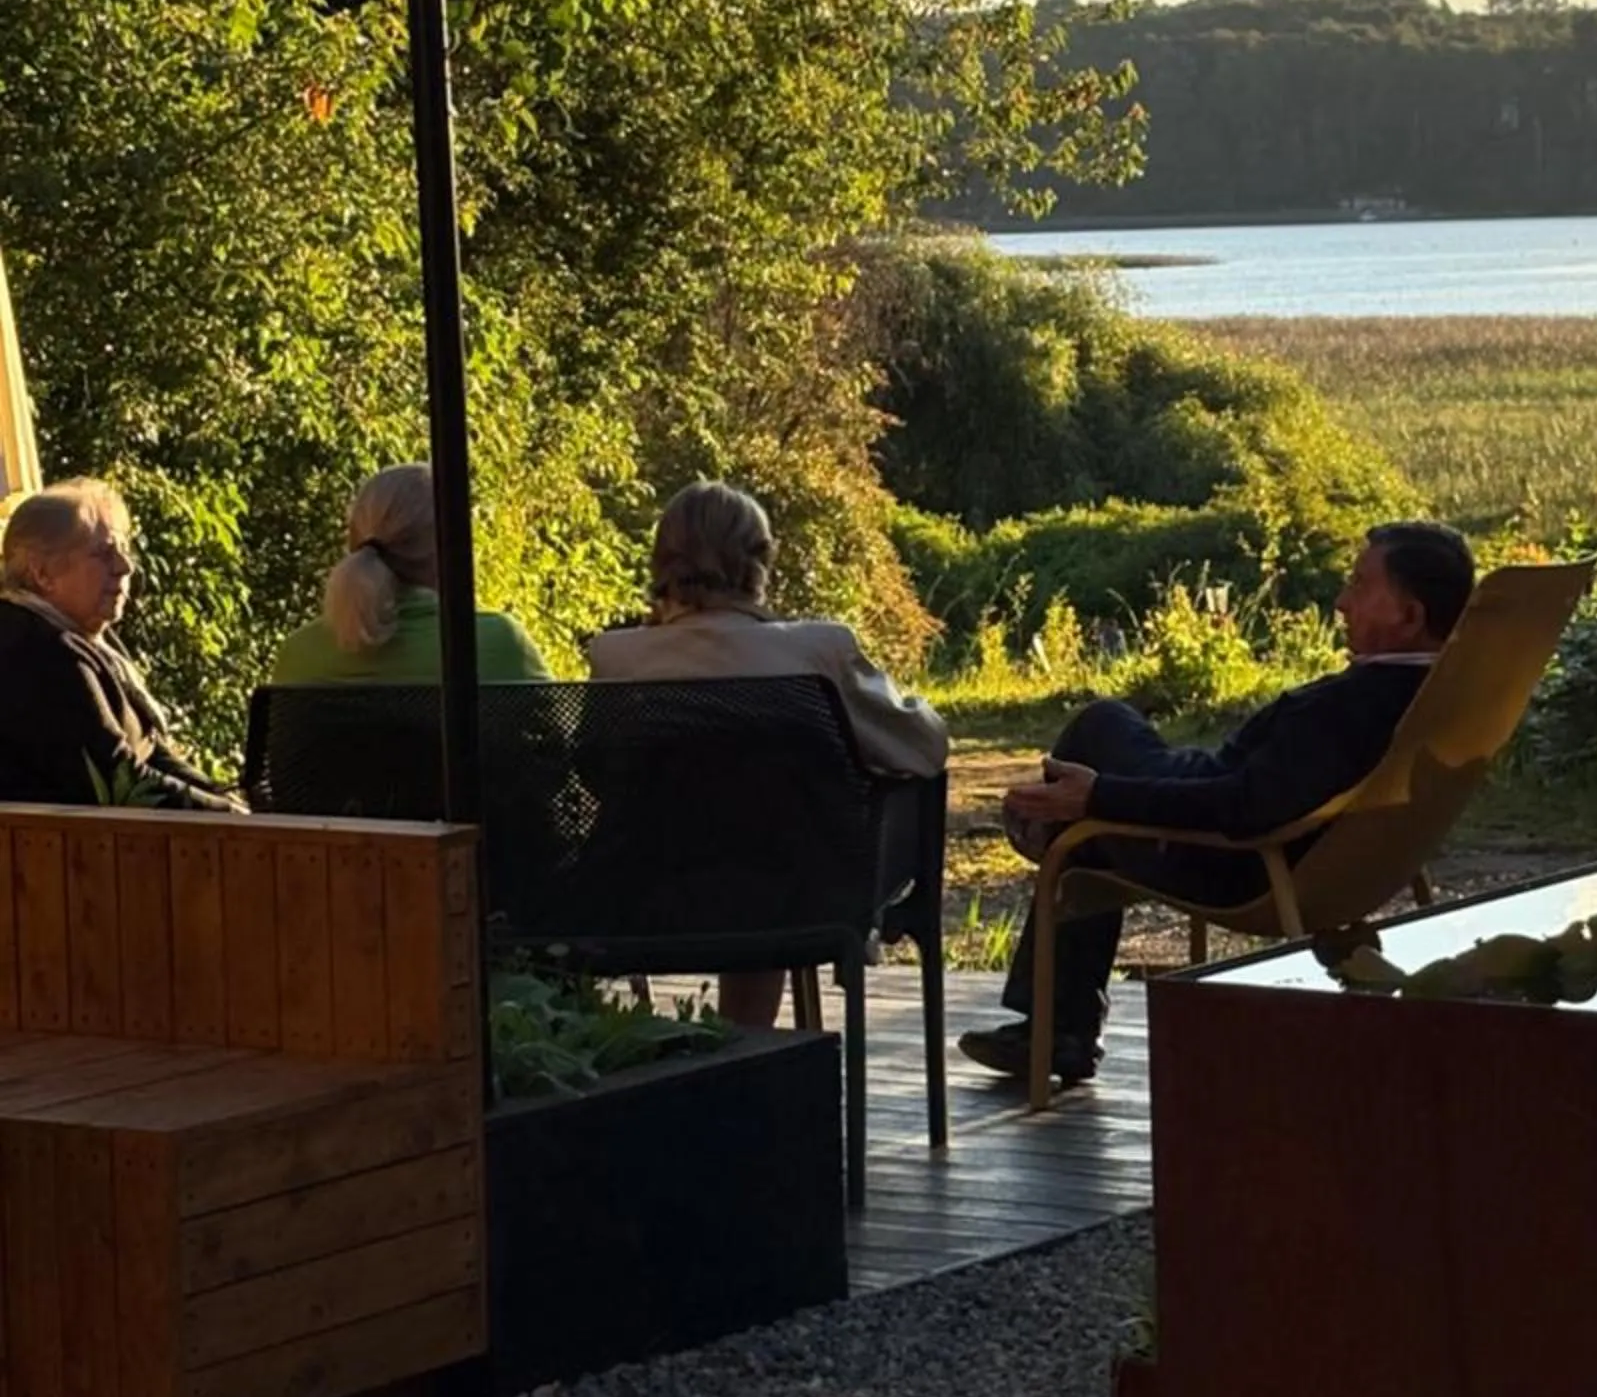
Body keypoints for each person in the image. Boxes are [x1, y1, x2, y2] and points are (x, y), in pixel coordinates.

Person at [957, 519, 1477, 1088]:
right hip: (1311, 851)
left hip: (1231, 862)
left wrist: (1098, 796)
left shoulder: (1351, 708)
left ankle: (1059, 1017)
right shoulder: (1441, 694)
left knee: (1097, 734)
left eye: (1359, 584)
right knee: (1098, 763)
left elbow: (1246, 807)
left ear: (1410, 616)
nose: (1341, 602)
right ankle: (1061, 1016)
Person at [586, 480, 948, 1027]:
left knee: (735, 858)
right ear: (760, 562)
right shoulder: (816, 651)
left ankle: (695, 1055)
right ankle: (747, 1044)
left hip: (647, 897)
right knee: (765, 855)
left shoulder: (616, 661)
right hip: (800, 901)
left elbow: (596, 772)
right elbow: (923, 750)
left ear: (662, 563)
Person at [0, 478, 238, 809]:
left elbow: (153, 751)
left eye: (124, 550)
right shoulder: (40, 653)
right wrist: (235, 820)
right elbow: (120, 782)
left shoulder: (88, 638)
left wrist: (228, 800)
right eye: (104, 554)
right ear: (42, 574)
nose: (125, 567)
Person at [266, 464, 551, 687]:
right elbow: (559, 742)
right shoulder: (496, 643)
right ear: (449, 546)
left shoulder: (300, 656)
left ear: (354, 539)